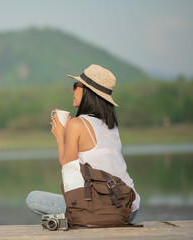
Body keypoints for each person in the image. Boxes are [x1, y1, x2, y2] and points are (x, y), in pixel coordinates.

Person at [26, 64, 140, 224]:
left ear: (88, 91)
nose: (72, 90)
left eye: (76, 86)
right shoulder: (110, 124)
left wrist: (61, 137)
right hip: (130, 209)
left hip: (106, 209)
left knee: (33, 198)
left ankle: (80, 219)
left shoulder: (77, 125)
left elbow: (69, 172)